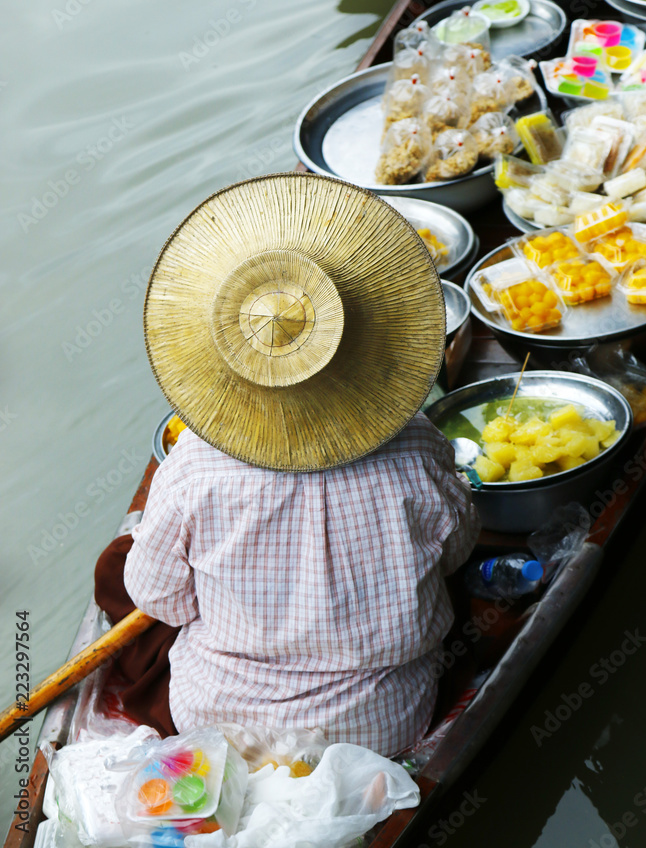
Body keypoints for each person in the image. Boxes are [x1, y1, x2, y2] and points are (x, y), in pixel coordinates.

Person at [98, 173, 479, 758]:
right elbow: (455, 550)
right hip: (378, 729)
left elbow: (161, 600)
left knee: (118, 568)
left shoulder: (192, 466)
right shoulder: (418, 447)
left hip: (219, 726)